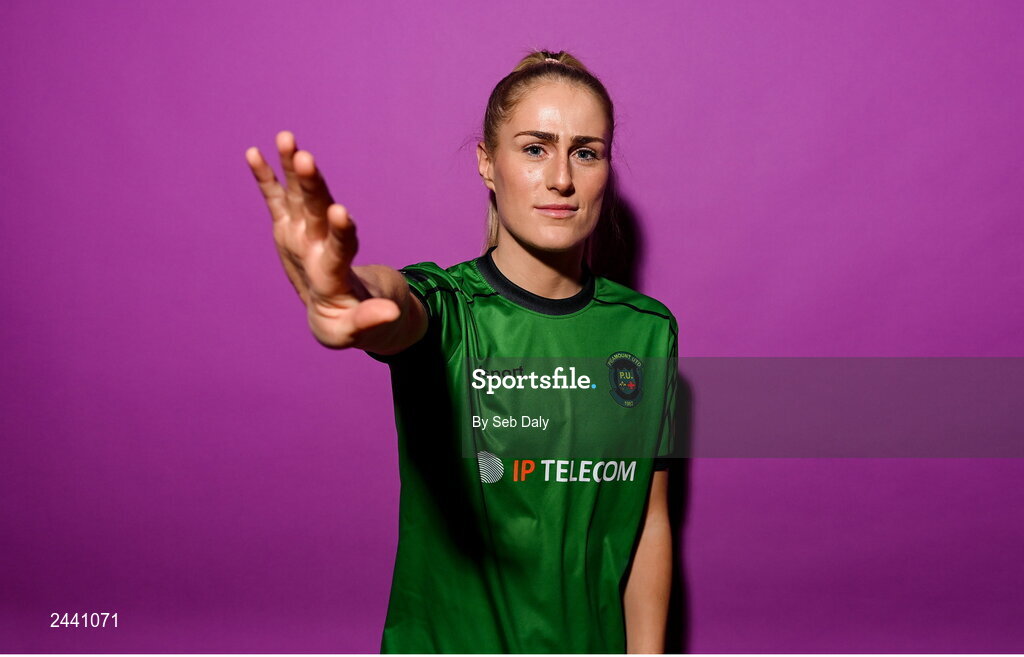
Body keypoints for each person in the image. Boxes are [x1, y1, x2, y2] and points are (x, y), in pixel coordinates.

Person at [246, 49, 677, 653]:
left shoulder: (646, 330)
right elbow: (396, 303)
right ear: (487, 163)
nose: (561, 177)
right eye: (535, 148)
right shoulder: (449, 308)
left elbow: (647, 520)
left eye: (586, 152)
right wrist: (347, 292)